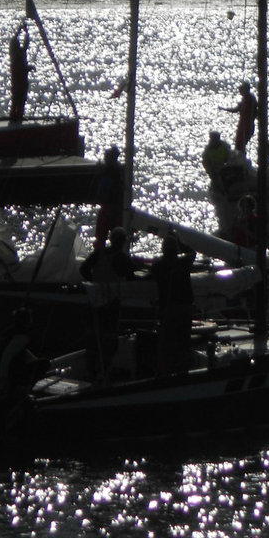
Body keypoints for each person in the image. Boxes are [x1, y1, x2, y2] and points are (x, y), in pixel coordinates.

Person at [80, 227, 140, 377]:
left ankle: (91, 368)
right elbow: (132, 277)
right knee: (110, 337)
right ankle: (103, 369)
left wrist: (93, 282)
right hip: (111, 302)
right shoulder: (122, 258)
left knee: (94, 335)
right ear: (122, 241)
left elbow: (83, 269)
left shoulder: (98, 253)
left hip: (95, 300)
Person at [149, 232, 196, 375]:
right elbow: (192, 252)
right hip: (184, 308)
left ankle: (166, 371)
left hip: (168, 309)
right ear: (176, 250)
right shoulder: (184, 263)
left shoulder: (158, 266)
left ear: (163, 250)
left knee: (168, 342)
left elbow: (149, 276)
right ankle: (183, 370)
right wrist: (180, 241)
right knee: (183, 340)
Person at [93, 145, 124, 248]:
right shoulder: (118, 170)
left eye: (106, 157)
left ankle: (100, 253)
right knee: (115, 235)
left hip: (110, 207)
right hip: (116, 208)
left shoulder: (110, 171)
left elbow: (102, 191)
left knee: (102, 236)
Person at [220, 81, 257, 153]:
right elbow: (236, 109)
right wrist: (225, 109)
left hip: (247, 125)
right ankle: (240, 157)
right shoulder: (246, 99)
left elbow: (238, 109)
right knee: (239, 144)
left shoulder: (250, 99)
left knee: (241, 144)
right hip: (243, 124)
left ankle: (241, 157)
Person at [9, 21, 33, 121]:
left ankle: (17, 116)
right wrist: (19, 31)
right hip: (19, 82)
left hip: (21, 82)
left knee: (19, 100)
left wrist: (25, 32)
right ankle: (15, 117)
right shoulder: (16, 56)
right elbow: (20, 69)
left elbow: (25, 44)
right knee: (17, 99)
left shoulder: (19, 53)